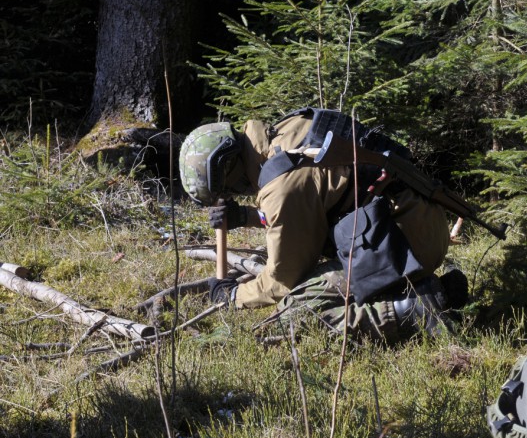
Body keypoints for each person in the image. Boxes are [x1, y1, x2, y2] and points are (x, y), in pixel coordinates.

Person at [178, 108, 467, 341]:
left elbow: (282, 280)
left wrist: (232, 295)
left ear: (229, 169)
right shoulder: (286, 132)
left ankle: (416, 308)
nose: (234, 195)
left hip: (406, 246)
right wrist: (246, 217)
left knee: (294, 312)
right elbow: (315, 205)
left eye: (228, 190)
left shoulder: (281, 189)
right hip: (417, 221)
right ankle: (432, 289)